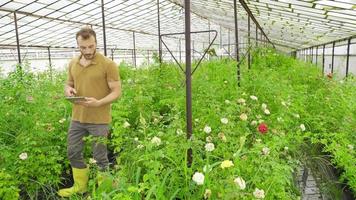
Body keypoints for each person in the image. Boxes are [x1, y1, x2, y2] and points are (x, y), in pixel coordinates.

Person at [58, 27, 121, 197]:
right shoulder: (73, 63)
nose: (88, 51)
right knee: (73, 152)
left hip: (99, 119)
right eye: (83, 47)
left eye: (91, 46)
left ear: (96, 43)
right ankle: (80, 187)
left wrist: (99, 102)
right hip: (77, 118)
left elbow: (116, 91)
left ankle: (104, 190)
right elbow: (68, 83)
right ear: (78, 45)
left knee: (100, 157)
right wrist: (68, 90)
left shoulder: (108, 64)